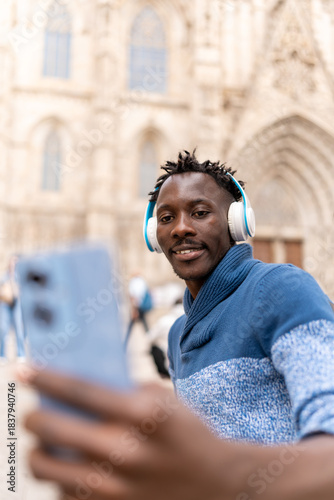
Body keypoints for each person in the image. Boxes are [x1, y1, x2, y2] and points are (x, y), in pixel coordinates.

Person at [22, 150, 334, 499]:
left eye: (200, 213)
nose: (182, 227)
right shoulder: (176, 333)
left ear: (237, 222)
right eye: (167, 217)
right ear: (153, 235)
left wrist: (228, 475)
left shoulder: (281, 287)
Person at [0, 254, 26, 363]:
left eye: (16, 262)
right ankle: (1, 355)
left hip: (18, 303)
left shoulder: (21, 275)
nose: (13, 264)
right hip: (5, 303)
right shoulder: (4, 276)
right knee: (2, 329)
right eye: (12, 261)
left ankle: (21, 354)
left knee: (19, 329)